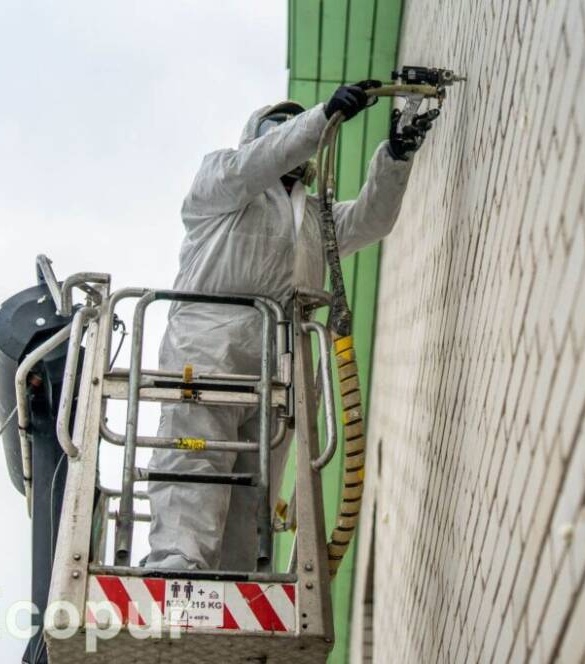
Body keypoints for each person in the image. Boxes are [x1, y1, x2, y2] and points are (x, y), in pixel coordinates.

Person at [146, 82, 438, 571]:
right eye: (276, 128)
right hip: (209, 344)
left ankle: (235, 579)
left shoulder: (313, 216)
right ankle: (177, 559)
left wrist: (395, 156)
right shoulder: (222, 179)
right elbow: (260, 162)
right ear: (256, 137)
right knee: (196, 451)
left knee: (257, 478)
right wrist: (322, 117)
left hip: (280, 359)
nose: (286, 136)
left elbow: (371, 220)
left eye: (292, 127)